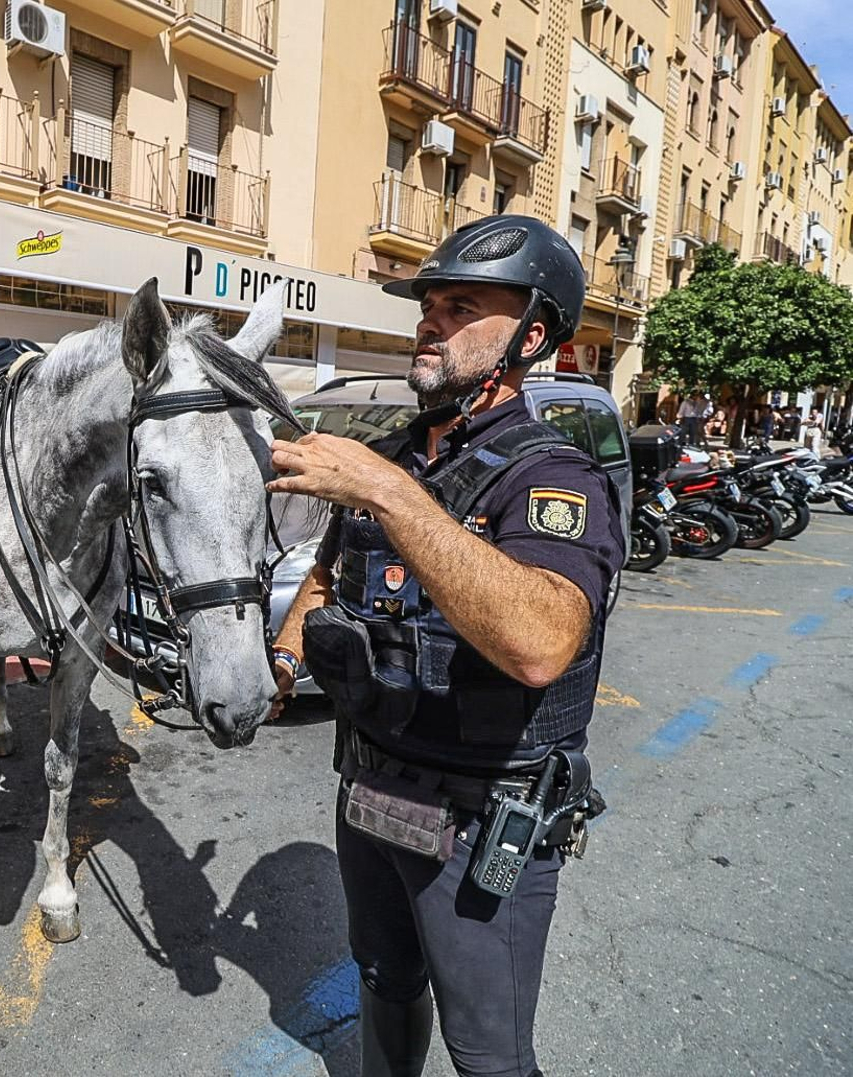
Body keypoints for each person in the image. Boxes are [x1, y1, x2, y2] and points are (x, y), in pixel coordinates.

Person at [266, 215, 624, 1077]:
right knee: (385, 981)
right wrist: (282, 659)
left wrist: (388, 490)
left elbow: (541, 641)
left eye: (463, 307)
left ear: (531, 336)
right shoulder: (395, 455)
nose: (431, 322)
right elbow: (327, 570)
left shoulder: (550, 475)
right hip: (370, 784)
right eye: (429, 306)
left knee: (488, 1051)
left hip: (480, 811)